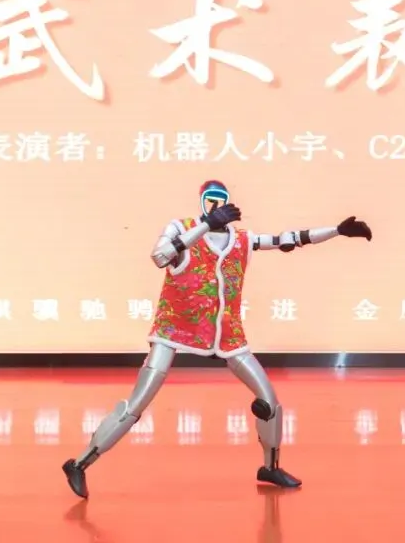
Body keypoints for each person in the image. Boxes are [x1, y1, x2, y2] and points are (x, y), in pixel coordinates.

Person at [62, 179, 373, 498]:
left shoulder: (241, 239)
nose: (215, 205)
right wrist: (204, 225)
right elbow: (160, 256)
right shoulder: (181, 229)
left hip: (226, 333)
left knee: (269, 402)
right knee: (136, 405)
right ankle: (80, 463)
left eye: (220, 200)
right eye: (210, 200)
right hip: (175, 327)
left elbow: (287, 239)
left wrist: (336, 231)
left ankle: (270, 466)